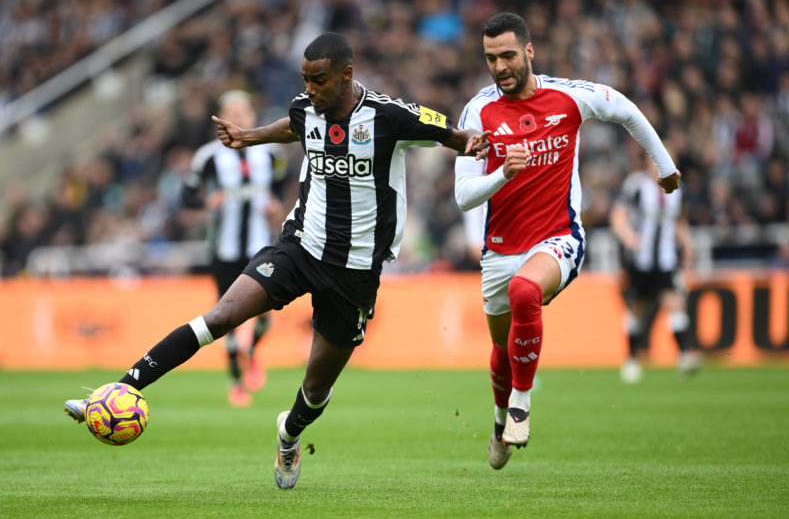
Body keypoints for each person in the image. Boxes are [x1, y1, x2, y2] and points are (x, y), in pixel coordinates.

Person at [65, 32, 489, 490]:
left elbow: (453, 136)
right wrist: (249, 137)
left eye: (320, 80)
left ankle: (289, 435)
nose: (310, 89)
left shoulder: (390, 116)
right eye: (305, 79)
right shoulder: (307, 108)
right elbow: (293, 125)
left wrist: (480, 144)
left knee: (316, 387)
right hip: (299, 246)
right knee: (221, 315)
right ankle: (119, 390)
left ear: (347, 74)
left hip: (357, 270)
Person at [453, 12, 682, 470]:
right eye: (491, 58)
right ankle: (500, 422)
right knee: (500, 350)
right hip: (499, 247)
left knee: (525, 292)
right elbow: (463, 196)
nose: (499, 66)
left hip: (557, 239)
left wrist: (664, 165)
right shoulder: (478, 112)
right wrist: (503, 173)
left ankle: (521, 402)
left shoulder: (569, 97)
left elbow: (627, 110)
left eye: (508, 55)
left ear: (529, 51)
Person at [182, 90, 286, 406]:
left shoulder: (270, 155)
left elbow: (278, 190)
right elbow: (187, 196)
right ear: (221, 118)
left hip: (261, 246)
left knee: (269, 311)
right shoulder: (208, 156)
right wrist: (205, 202)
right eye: (232, 111)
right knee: (225, 317)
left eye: (244, 110)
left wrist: (275, 207)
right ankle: (236, 382)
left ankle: (252, 350)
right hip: (223, 249)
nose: (239, 116)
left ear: (254, 115)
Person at [610, 148, 702, 384]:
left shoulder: (676, 189)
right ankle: (631, 358)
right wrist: (628, 236)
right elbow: (618, 215)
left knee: (674, 302)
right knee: (639, 309)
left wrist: (688, 245)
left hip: (666, 259)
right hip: (641, 260)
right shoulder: (636, 185)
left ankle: (684, 355)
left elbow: (678, 222)